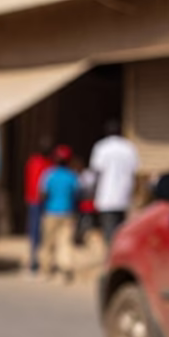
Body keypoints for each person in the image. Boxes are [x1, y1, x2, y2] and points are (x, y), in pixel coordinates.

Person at [89, 118, 140, 245]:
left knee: (109, 231)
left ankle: (111, 259)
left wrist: (92, 193)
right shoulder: (129, 147)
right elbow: (136, 173)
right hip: (124, 197)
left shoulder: (101, 147)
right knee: (121, 231)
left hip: (106, 197)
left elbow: (96, 172)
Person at [37, 145, 80, 283]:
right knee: (65, 241)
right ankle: (65, 269)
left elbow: (42, 193)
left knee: (48, 242)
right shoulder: (72, 177)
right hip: (67, 212)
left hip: (51, 212)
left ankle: (45, 270)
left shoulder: (49, 174)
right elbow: (78, 193)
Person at [24, 136, 52, 275]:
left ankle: (35, 259)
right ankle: (35, 260)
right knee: (39, 231)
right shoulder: (47, 164)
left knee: (36, 230)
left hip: (34, 200)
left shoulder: (33, 162)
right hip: (40, 201)